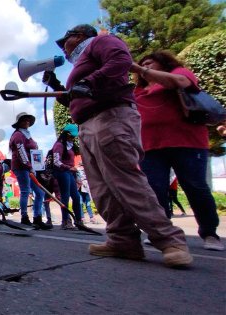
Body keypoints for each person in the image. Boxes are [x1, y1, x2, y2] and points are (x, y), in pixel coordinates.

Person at [44, 24, 193, 267]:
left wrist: (89, 81)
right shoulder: (85, 63)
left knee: (126, 181)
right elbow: (77, 98)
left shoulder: (101, 42)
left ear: (80, 36)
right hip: (89, 123)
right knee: (102, 189)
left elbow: (121, 60)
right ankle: (122, 240)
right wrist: (58, 87)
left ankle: (170, 241)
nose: (64, 47)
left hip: (110, 117)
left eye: (66, 41)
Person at [131, 50, 222, 251]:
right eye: (143, 63)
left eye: (150, 62)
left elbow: (181, 82)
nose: (146, 65)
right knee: (154, 190)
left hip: (187, 142)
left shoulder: (180, 73)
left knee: (195, 187)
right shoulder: (138, 90)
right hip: (151, 146)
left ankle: (209, 233)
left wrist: (140, 69)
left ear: (164, 63)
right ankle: (161, 232)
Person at [8, 112, 52, 230]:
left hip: (31, 167)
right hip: (21, 167)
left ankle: (37, 218)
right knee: (25, 191)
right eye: (24, 120)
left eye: (28, 120)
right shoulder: (18, 135)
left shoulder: (28, 135)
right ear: (19, 123)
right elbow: (21, 152)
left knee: (40, 193)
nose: (27, 122)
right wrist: (28, 166)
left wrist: (36, 166)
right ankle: (24, 217)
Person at [51, 124, 83, 230]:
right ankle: (65, 221)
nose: (73, 138)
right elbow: (56, 161)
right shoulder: (59, 145)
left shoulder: (71, 145)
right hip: (62, 172)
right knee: (65, 196)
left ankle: (79, 220)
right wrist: (68, 167)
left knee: (76, 197)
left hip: (70, 173)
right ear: (66, 134)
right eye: (72, 136)